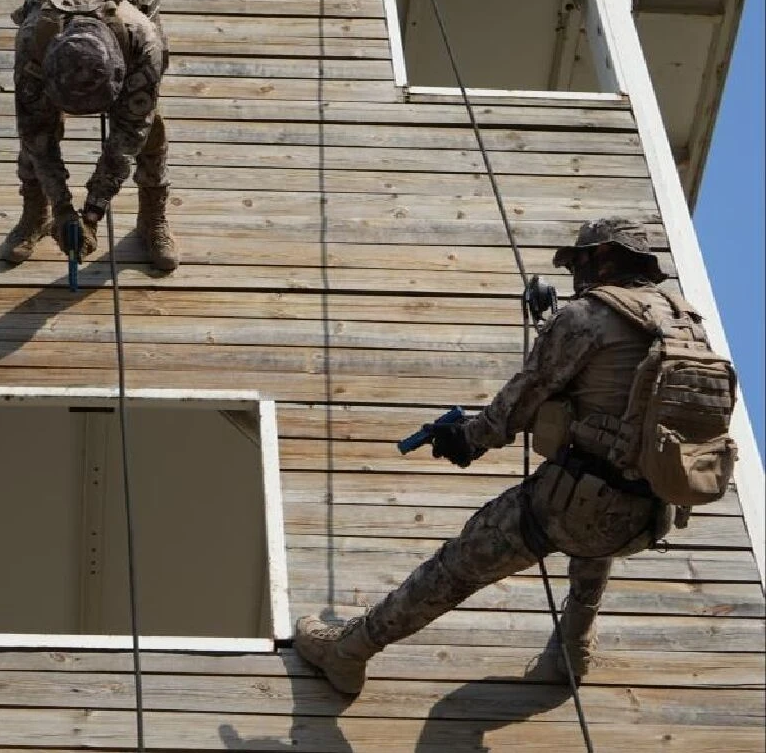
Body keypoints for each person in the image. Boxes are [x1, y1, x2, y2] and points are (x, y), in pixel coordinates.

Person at [295, 217, 735, 697]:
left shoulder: (587, 316)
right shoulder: (684, 323)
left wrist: (467, 440)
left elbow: (516, 406)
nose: (576, 276)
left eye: (578, 263)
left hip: (579, 508)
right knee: (600, 514)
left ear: (601, 257)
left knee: (460, 563)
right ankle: (573, 649)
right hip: (650, 515)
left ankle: (349, 651)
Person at [4, 0, 179, 271]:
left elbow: (127, 140)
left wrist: (92, 214)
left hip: (127, 41)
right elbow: (36, 137)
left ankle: (152, 217)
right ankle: (36, 213)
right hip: (53, 13)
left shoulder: (142, 41)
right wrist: (62, 209)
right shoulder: (32, 42)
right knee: (34, 133)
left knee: (149, 131)